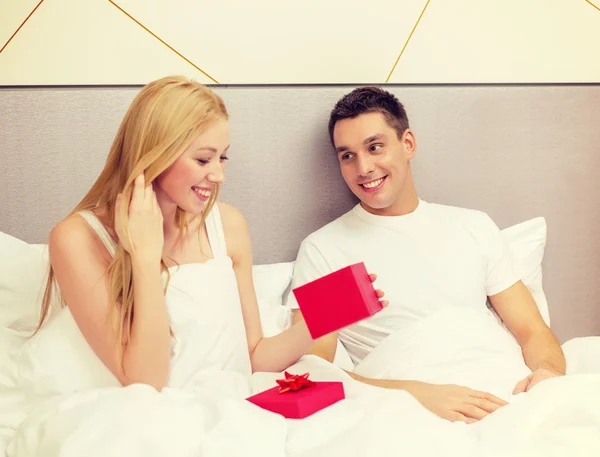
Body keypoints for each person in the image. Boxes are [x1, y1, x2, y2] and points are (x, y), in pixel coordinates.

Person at [35, 76, 386, 392]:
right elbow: (145, 382)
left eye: (223, 158)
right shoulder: (76, 239)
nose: (218, 176)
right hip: (153, 419)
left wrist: (323, 319)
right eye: (203, 160)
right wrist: (144, 259)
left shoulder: (228, 225)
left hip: (234, 408)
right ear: (154, 154)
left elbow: (255, 357)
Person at [288, 86, 566, 424]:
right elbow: (315, 373)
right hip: (411, 408)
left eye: (375, 147)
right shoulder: (326, 249)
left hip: (506, 391)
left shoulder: (473, 227)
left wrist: (547, 375)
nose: (363, 168)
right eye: (347, 155)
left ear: (407, 144)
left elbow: (532, 330)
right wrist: (416, 395)